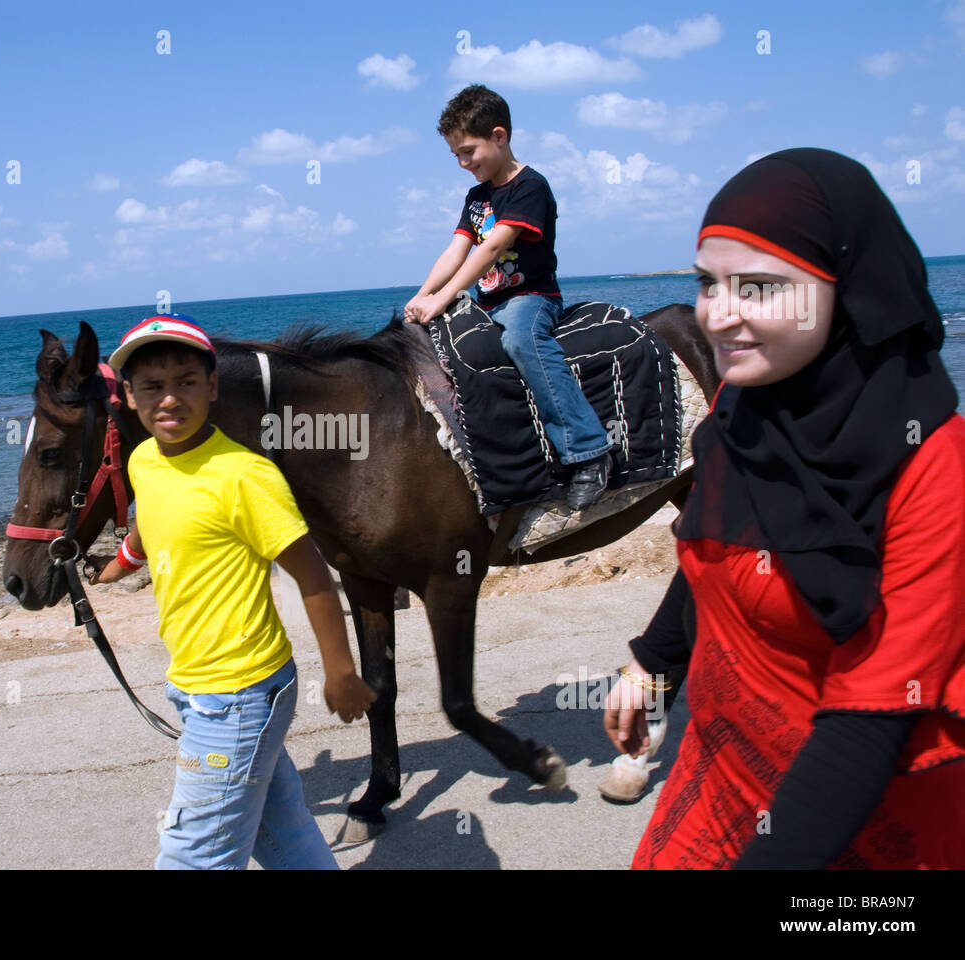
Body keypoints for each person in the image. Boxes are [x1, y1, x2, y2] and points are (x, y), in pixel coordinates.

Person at [605, 148, 965, 868]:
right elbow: (722, 541)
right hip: (720, 776)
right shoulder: (744, 407)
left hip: (846, 816)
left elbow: (872, 717)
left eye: (760, 288)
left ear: (848, 291)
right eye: (708, 284)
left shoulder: (934, 463)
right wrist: (653, 664)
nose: (720, 316)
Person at [100, 313, 376, 869]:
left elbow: (313, 574)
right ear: (129, 398)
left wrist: (342, 672)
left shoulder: (244, 475)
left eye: (186, 382)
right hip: (195, 685)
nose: (170, 399)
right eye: (152, 386)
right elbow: (153, 524)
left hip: (239, 693)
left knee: (193, 853)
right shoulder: (144, 460)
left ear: (214, 387)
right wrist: (120, 563)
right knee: (283, 835)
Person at [403, 83, 612, 510]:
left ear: (500, 136)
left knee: (522, 340)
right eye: (455, 156)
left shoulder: (529, 188)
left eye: (468, 151)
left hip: (530, 298)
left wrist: (443, 297)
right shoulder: (477, 198)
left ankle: (588, 450)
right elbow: (456, 249)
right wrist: (421, 296)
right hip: (487, 302)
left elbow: (493, 247)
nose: (463, 163)